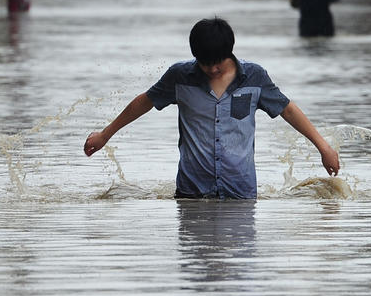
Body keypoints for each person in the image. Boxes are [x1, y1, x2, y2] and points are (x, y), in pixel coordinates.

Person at [83, 17, 339, 199]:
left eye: (218, 63)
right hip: (191, 192)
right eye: (205, 64)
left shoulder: (254, 77)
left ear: (229, 52)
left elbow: (288, 110)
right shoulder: (180, 77)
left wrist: (324, 147)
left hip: (241, 192)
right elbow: (144, 102)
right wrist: (105, 135)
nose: (213, 70)